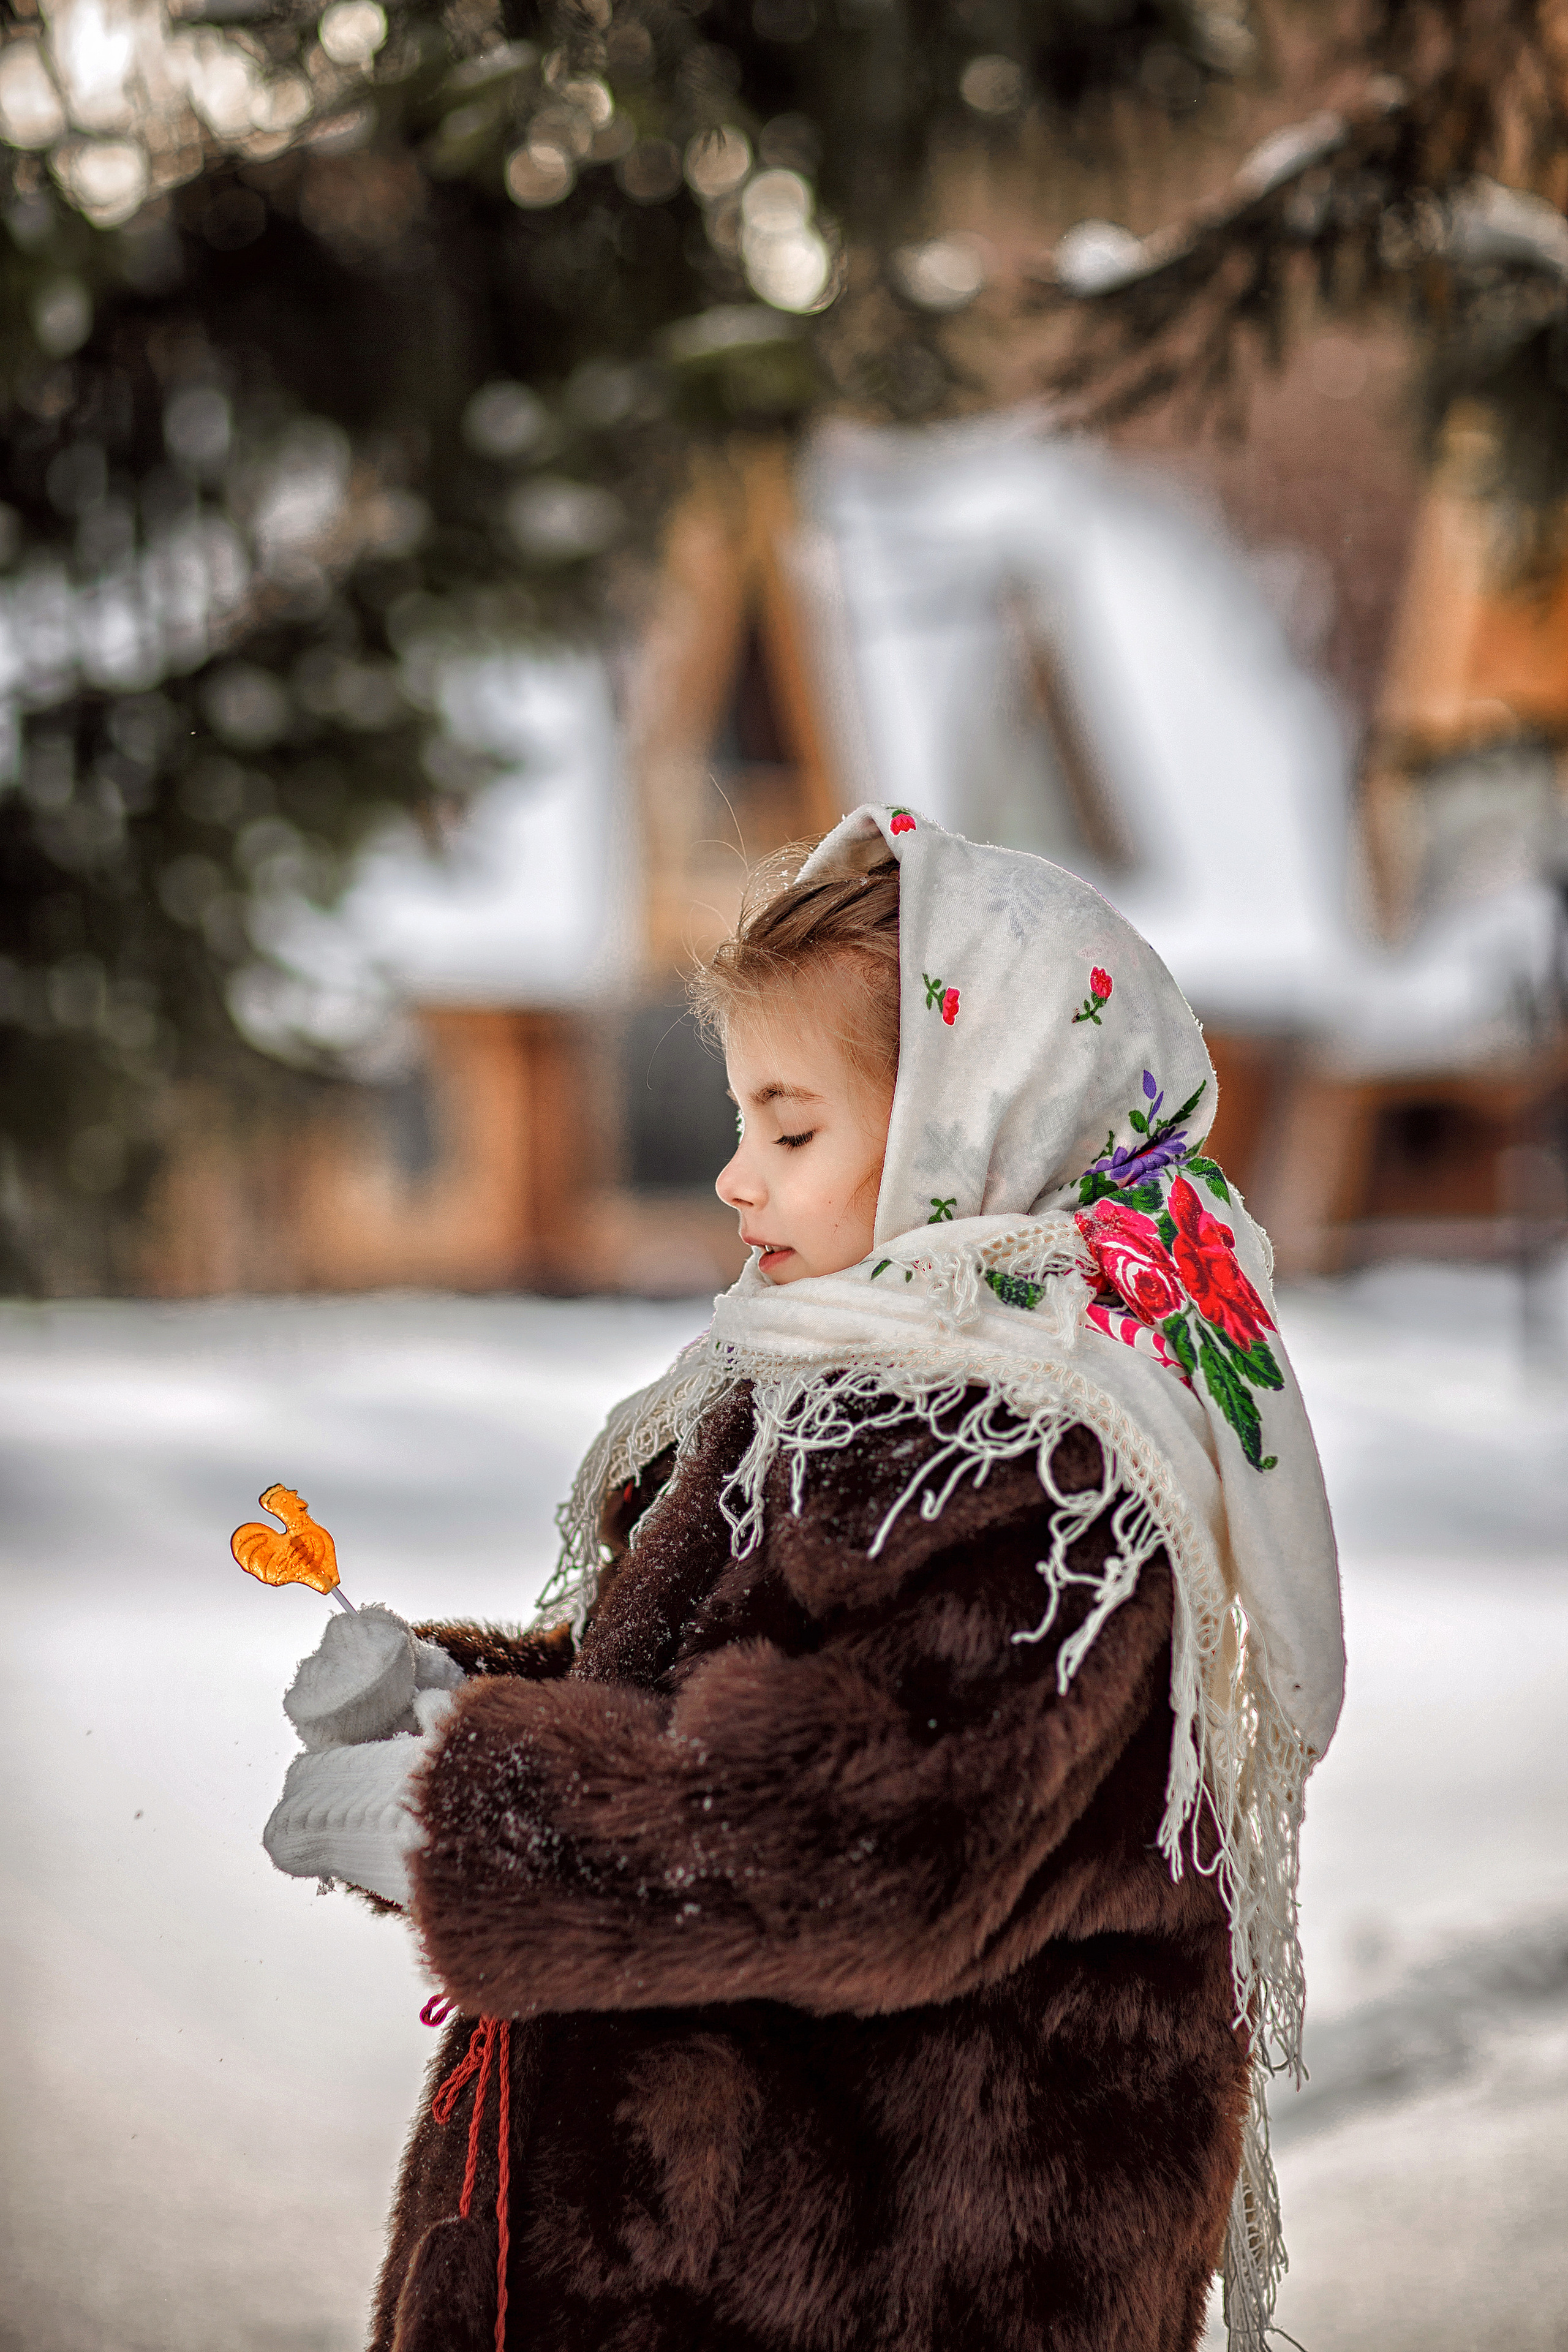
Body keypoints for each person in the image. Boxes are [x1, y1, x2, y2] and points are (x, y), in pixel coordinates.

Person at [263, 805, 1345, 2352]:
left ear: (967, 1131)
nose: (731, 1177)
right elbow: (697, 1694)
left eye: (790, 1127)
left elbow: (872, 1830)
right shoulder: (834, 1380)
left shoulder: (1053, 1463)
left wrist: (480, 1811)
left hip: (889, 2276)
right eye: (735, 1119)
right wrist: (465, 1701)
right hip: (681, 2255)